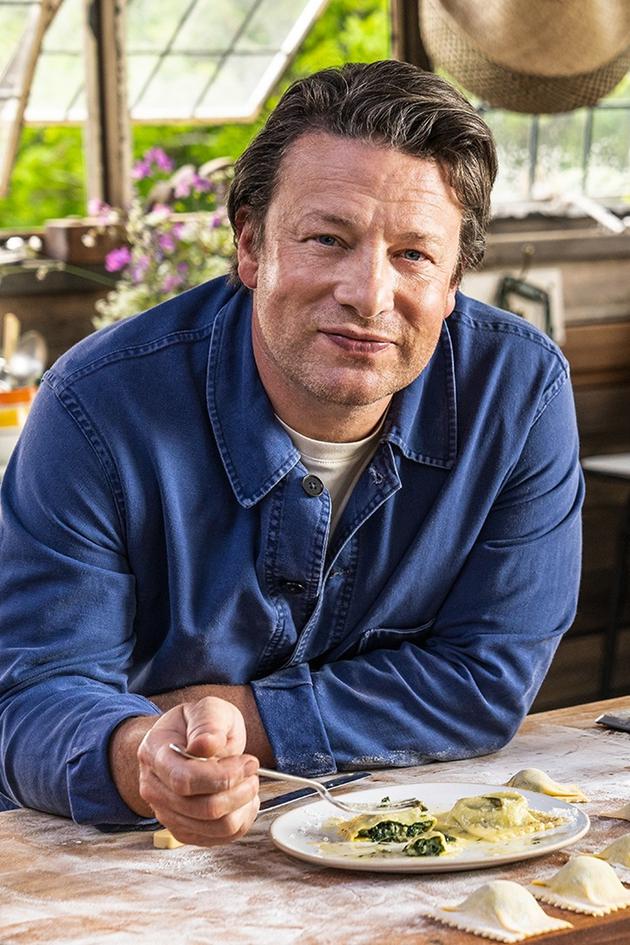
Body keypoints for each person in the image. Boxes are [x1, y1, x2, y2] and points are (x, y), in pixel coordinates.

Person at [0, 60, 583, 847]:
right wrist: (146, 756)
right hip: (125, 852)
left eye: (414, 254)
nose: (367, 294)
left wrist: (235, 719)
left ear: (453, 282)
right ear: (250, 245)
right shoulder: (95, 406)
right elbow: (32, 698)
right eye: (327, 239)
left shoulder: (519, 392)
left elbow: (485, 680)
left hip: (393, 836)